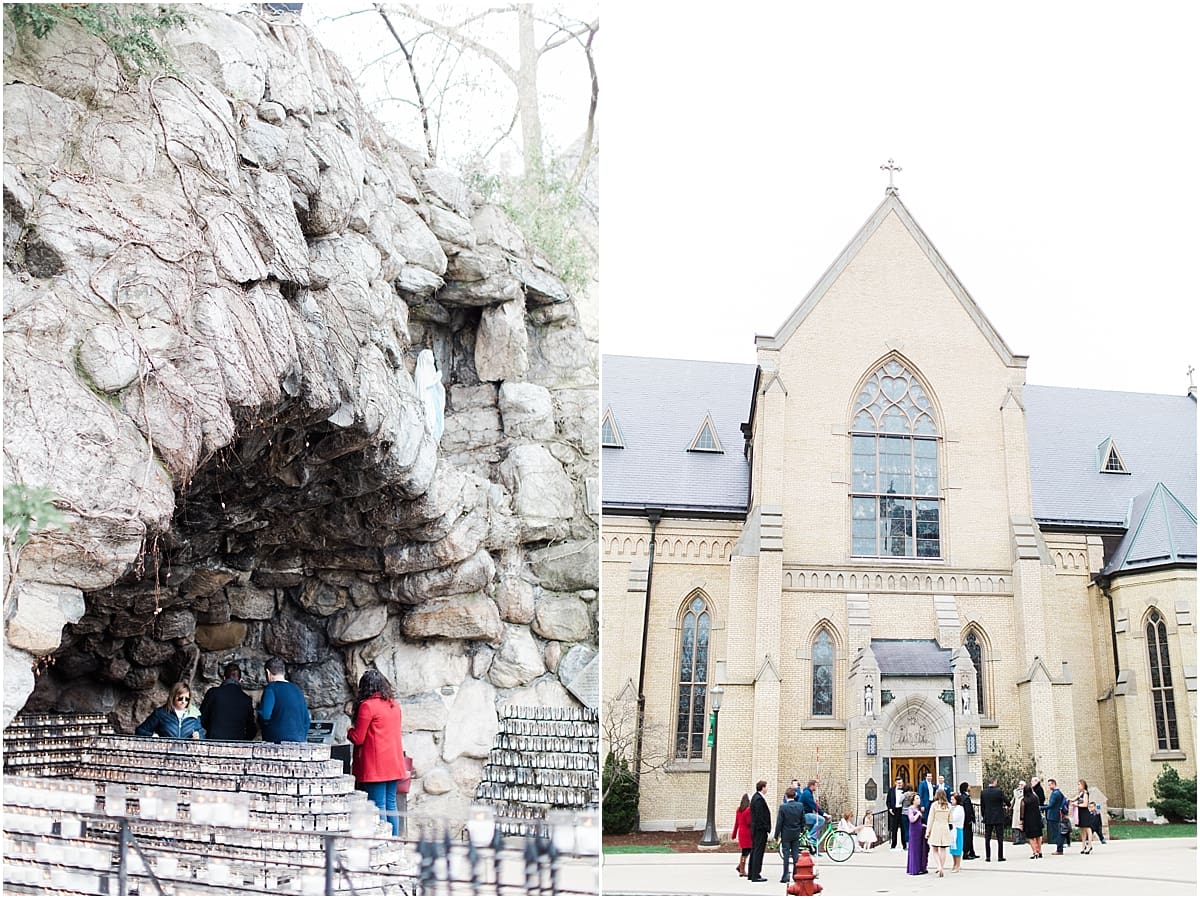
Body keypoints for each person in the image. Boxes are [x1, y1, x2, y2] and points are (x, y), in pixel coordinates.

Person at [347, 669, 407, 837]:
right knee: (391, 803)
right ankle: (394, 841)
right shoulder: (394, 704)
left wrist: (349, 732)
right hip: (394, 763)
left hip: (376, 765)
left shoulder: (367, 706)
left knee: (377, 805)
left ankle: (383, 841)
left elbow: (358, 738)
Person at [258, 657, 311, 743]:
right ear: (283, 672)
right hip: (299, 741)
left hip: (276, 740)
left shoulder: (271, 688)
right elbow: (306, 720)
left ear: (268, 673)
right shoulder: (297, 689)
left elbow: (265, 714)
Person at [199, 662, 257, 741]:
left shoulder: (213, 693)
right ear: (240, 680)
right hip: (237, 745)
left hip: (213, 741)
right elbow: (252, 729)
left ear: (224, 678)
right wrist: (243, 741)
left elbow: (201, 718)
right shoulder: (246, 699)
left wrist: (212, 727)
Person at [136, 682, 204, 739]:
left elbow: (203, 738)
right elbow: (140, 731)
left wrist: (198, 737)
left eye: (187, 699)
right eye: (180, 698)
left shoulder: (194, 715)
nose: (183, 701)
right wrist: (152, 736)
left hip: (186, 754)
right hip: (165, 753)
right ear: (173, 697)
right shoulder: (160, 713)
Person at [774, 787, 806, 883]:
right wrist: (801, 830)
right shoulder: (800, 806)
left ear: (786, 796)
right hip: (796, 833)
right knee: (796, 855)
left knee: (786, 855)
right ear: (795, 796)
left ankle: (785, 876)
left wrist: (776, 835)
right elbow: (803, 820)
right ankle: (796, 875)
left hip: (786, 834)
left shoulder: (783, 807)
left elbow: (779, 822)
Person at [747, 780, 772, 882]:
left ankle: (752, 873)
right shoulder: (758, 799)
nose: (767, 789)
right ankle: (755, 874)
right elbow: (760, 816)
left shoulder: (756, 797)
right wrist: (765, 827)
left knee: (755, 850)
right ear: (763, 787)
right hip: (759, 830)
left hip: (757, 829)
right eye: (766, 787)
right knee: (758, 851)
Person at [979, 776, 1008, 862]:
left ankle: (988, 856)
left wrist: (984, 815)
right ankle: (1000, 856)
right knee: (1000, 837)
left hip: (988, 817)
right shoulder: (998, 791)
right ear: (994, 782)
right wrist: (1008, 805)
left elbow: (982, 805)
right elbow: (1006, 800)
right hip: (998, 816)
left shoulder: (983, 792)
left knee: (987, 838)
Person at [926, 788, 953, 877]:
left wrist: (928, 831)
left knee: (935, 849)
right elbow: (951, 819)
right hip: (945, 827)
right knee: (943, 849)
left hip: (936, 827)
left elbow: (930, 819)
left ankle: (939, 866)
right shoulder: (948, 805)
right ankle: (942, 866)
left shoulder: (934, 805)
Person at [798, 779, 828, 851]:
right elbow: (813, 806)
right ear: (812, 786)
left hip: (806, 814)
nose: (816, 788)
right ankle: (810, 837)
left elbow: (813, 805)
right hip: (804, 815)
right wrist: (824, 814)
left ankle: (814, 850)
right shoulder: (807, 793)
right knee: (821, 820)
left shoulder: (808, 793)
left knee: (817, 830)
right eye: (816, 786)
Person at [1042, 777, 1068, 855]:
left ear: (1054, 784)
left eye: (1050, 785)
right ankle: (1060, 848)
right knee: (1058, 832)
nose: (1049, 787)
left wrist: (1040, 807)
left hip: (1053, 815)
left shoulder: (1055, 793)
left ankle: (1059, 849)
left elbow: (1050, 805)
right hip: (1057, 815)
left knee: (1057, 833)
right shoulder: (1059, 793)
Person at [904, 792, 927, 875]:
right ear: (913, 800)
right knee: (914, 848)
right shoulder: (911, 808)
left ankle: (921, 867)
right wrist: (918, 814)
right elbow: (912, 820)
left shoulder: (918, 808)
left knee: (920, 848)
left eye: (919, 798)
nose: (919, 800)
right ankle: (914, 868)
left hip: (920, 829)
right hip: (914, 831)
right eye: (917, 798)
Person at [731, 793, 753, 877]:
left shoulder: (738, 810)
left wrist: (734, 834)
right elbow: (749, 822)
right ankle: (742, 869)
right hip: (747, 833)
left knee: (745, 851)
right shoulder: (748, 810)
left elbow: (736, 823)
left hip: (741, 832)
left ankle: (740, 866)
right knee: (747, 851)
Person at [886, 775, 908, 850]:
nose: (900, 784)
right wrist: (890, 809)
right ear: (895, 783)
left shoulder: (905, 790)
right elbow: (888, 801)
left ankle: (904, 845)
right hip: (894, 811)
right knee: (894, 828)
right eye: (898, 783)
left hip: (902, 811)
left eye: (901, 783)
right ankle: (893, 844)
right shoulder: (891, 790)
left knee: (903, 828)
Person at [1022, 784, 1044, 858]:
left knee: (1031, 837)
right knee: (1038, 835)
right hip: (1037, 819)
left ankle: (1035, 852)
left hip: (1028, 820)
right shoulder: (1035, 798)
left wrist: (1021, 820)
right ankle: (1040, 851)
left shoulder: (1024, 800)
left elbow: (1022, 811)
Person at [958, 781, 978, 859]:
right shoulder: (965, 798)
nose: (970, 787)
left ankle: (972, 852)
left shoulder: (965, 797)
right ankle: (966, 853)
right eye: (968, 786)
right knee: (967, 837)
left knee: (970, 836)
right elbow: (967, 810)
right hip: (966, 821)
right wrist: (970, 818)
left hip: (966, 821)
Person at [1074, 780, 1093, 853]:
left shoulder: (1085, 793)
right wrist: (1068, 800)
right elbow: (1074, 799)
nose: (1078, 786)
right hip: (1080, 813)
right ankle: (1083, 845)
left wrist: (1077, 805)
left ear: (1083, 785)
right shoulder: (1080, 793)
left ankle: (1090, 845)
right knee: (1082, 829)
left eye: (1079, 784)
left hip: (1085, 813)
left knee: (1087, 828)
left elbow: (1085, 804)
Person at [949, 792, 965, 871]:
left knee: (958, 847)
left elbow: (954, 818)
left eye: (953, 799)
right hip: (952, 829)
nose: (951, 801)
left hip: (957, 828)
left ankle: (958, 865)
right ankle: (954, 863)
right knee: (952, 848)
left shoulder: (959, 808)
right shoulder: (951, 808)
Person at [1010, 779, 1026, 845]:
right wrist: (1010, 806)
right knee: (1016, 826)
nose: (1020, 786)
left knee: (1022, 825)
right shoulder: (1015, 792)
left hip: (1022, 810)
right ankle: (1017, 839)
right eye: (1020, 784)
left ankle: (1022, 839)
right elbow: (1013, 800)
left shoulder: (1026, 792)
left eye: (1022, 785)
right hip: (1016, 810)